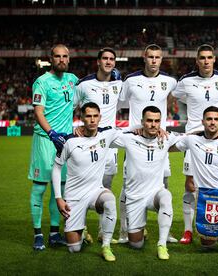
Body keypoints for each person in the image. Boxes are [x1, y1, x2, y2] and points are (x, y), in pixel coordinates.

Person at [171, 44, 218, 244]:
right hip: (193, 139)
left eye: (209, 57)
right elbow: (176, 96)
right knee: (190, 185)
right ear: (197, 61)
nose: (206, 61)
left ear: (214, 59)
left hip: (216, 137)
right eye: (202, 58)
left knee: (217, 184)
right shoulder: (186, 81)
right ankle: (188, 230)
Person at [118, 44, 178, 243]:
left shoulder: (169, 81)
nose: (154, 60)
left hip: (158, 140)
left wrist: (160, 125)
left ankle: (165, 231)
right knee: (128, 187)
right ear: (144, 58)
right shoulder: (131, 80)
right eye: (150, 57)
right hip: (135, 142)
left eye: (157, 57)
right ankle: (124, 231)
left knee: (164, 185)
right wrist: (133, 127)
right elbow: (122, 103)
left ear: (161, 59)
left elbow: (170, 100)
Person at [174, 106, 218, 259]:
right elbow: (171, 146)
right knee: (207, 244)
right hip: (205, 197)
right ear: (203, 121)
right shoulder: (192, 140)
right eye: (209, 119)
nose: (212, 122)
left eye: (215, 119)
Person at [110, 106, 183, 260]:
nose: (153, 124)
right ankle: (139, 229)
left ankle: (162, 244)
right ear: (142, 122)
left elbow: (191, 137)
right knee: (136, 244)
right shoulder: (129, 138)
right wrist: (133, 128)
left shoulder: (166, 138)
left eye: (157, 121)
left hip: (154, 194)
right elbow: (106, 134)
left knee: (166, 196)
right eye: (149, 121)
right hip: (135, 197)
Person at [52, 102, 119, 261]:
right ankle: (80, 230)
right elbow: (56, 168)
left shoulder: (107, 134)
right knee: (74, 249)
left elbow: (133, 132)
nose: (92, 120)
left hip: (96, 191)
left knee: (109, 201)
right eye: (88, 116)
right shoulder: (69, 141)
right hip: (74, 197)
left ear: (100, 117)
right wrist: (58, 198)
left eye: (95, 116)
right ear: (81, 118)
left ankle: (106, 246)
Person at [28, 44, 78, 250]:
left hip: (65, 143)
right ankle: (38, 234)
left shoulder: (72, 80)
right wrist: (51, 133)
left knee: (62, 189)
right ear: (51, 59)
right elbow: (38, 112)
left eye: (65, 56)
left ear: (69, 58)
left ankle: (54, 233)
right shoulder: (42, 82)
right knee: (40, 187)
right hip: (45, 140)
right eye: (57, 56)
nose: (61, 60)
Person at [74, 47, 123, 243]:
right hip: (88, 143)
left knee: (107, 188)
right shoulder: (84, 84)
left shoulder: (119, 84)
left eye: (112, 59)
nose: (108, 62)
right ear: (98, 61)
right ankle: (81, 229)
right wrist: (76, 127)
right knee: (84, 187)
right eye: (105, 58)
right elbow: (72, 107)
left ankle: (105, 232)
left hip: (109, 144)